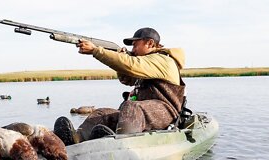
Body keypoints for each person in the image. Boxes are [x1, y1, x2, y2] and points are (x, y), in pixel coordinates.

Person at [54, 27, 186, 145]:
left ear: (150, 43)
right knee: (100, 113)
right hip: (139, 113)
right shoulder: (146, 62)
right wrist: (121, 57)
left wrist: (96, 50)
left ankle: (123, 146)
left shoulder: (163, 60)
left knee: (131, 106)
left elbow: (130, 65)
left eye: (135, 45)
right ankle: (75, 141)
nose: (133, 49)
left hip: (166, 113)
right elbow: (127, 79)